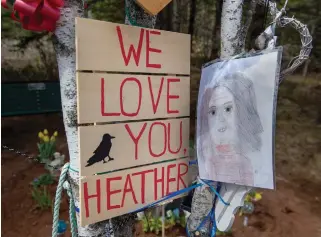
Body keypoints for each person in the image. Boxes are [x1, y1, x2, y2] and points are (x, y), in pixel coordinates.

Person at [197, 72, 263, 186]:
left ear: (242, 112)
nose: (220, 119)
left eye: (228, 109)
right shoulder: (208, 156)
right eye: (213, 111)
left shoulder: (248, 161)